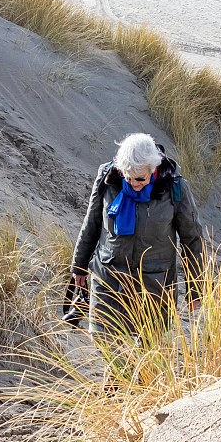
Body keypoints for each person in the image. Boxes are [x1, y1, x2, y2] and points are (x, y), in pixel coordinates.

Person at [70, 133, 203, 339]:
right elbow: (92, 223)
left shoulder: (175, 188)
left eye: (140, 178)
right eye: (128, 177)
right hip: (109, 279)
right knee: (102, 339)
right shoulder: (107, 178)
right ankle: (118, 372)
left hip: (154, 286)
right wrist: (78, 267)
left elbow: (192, 240)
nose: (133, 183)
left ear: (154, 168)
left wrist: (195, 289)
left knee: (150, 350)